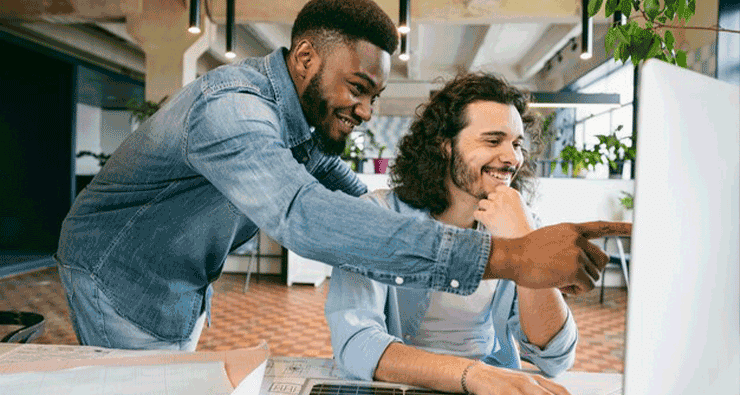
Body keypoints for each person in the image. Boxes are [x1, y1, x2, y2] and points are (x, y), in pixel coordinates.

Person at [55, 0, 629, 351]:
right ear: (306, 58)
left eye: (374, 97)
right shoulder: (231, 108)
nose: (364, 112)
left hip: (181, 282)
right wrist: (509, 258)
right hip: (121, 278)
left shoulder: (297, 121)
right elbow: (303, 216)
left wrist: (409, 208)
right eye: (357, 89)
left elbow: (348, 188)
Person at [325, 73, 578, 395]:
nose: (513, 157)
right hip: (400, 386)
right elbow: (356, 343)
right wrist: (472, 375)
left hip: (491, 385)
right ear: (445, 146)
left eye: (516, 144)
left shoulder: (519, 223)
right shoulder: (376, 216)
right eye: (492, 140)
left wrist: (527, 244)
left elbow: (555, 357)